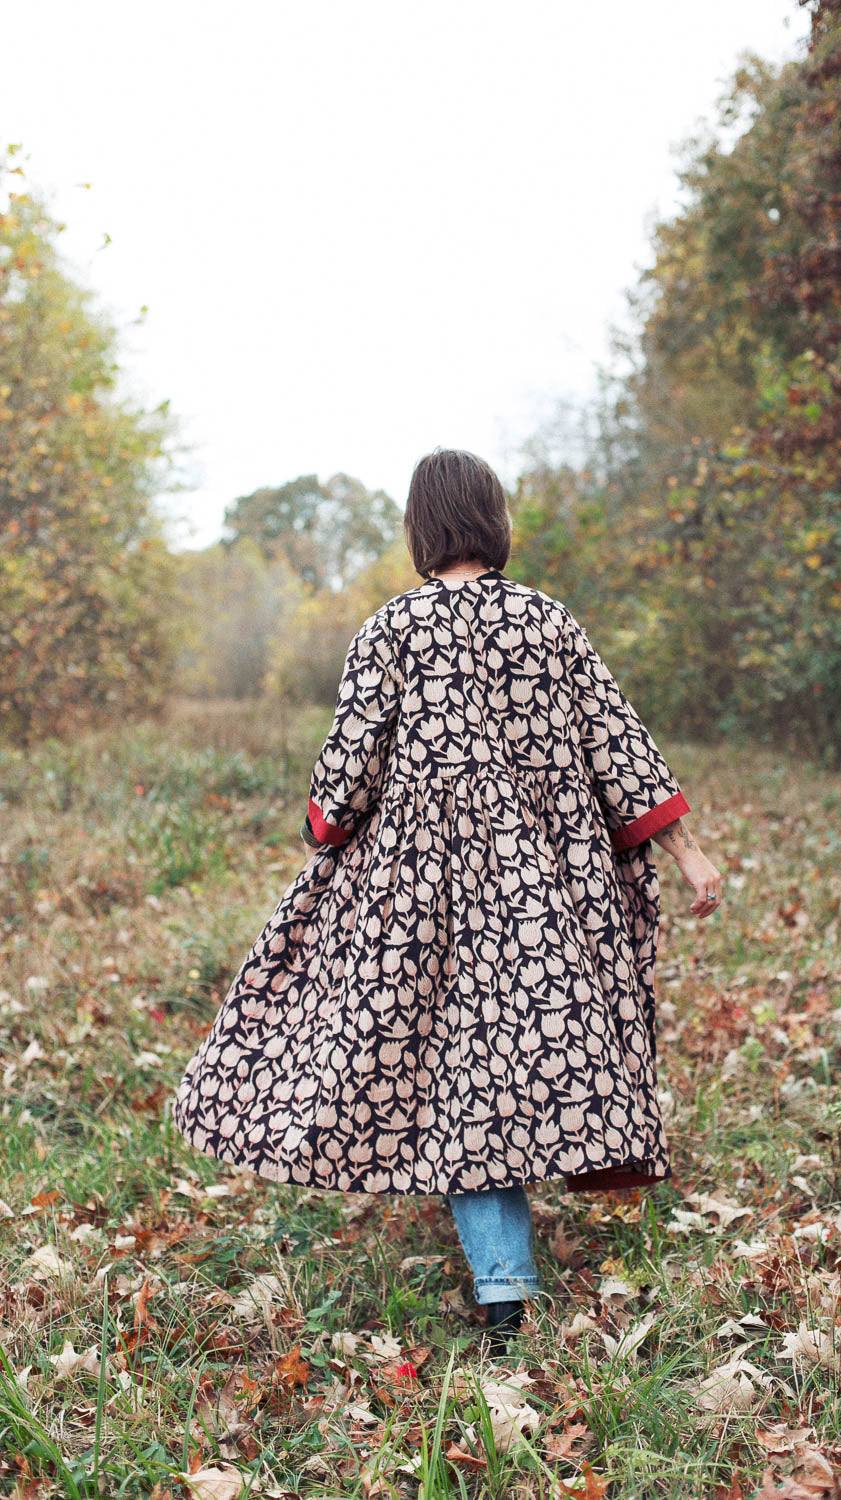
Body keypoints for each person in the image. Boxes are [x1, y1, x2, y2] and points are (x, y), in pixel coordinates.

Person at [171, 447, 723, 1355]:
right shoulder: (549, 623)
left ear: (422, 530)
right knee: (537, 1040)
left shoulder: (393, 629)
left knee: (462, 1070)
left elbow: (349, 766)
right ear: (494, 521)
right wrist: (687, 852)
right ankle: (525, 1238)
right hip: (550, 878)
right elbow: (617, 742)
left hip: (423, 891)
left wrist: (327, 834)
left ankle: (506, 1290)